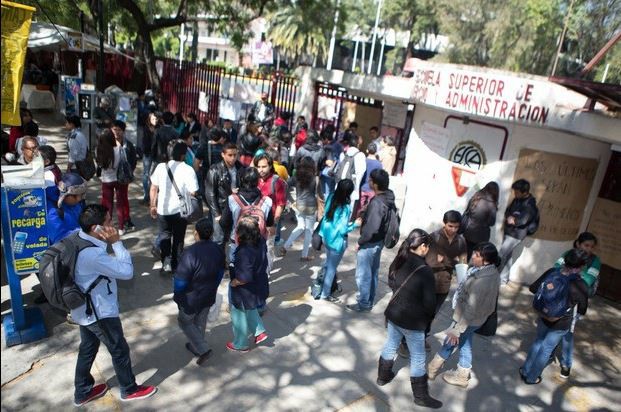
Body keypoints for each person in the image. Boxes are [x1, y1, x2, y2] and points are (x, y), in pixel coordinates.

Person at [71, 204, 157, 406]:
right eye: (108, 222)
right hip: (99, 312)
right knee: (119, 349)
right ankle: (128, 389)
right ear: (96, 228)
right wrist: (117, 244)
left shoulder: (79, 237)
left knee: (88, 348)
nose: (113, 225)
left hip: (85, 310)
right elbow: (126, 272)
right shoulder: (92, 255)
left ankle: (82, 391)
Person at [377, 229, 441, 409]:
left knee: (390, 344)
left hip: (394, 314)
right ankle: (420, 396)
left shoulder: (400, 259)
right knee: (418, 357)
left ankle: (382, 376)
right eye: (427, 246)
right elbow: (430, 304)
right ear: (422, 246)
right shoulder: (425, 271)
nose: (427, 250)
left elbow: (392, 283)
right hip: (413, 322)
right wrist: (427, 318)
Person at [427, 242, 501, 388]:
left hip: (468, 319)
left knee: (450, 342)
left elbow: (471, 309)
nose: (473, 256)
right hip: (478, 319)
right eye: (474, 253)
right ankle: (461, 374)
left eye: (477, 255)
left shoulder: (482, 281)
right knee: (465, 342)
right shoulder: (491, 272)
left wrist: (457, 329)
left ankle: (432, 369)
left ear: (486, 260)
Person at [520, 248, 589, 384]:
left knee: (538, 341)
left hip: (543, 316)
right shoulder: (580, 284)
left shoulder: (552, 272)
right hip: (561, 322)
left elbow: (533, 288)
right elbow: (583, 308)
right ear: (581, 266)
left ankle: (525, 370)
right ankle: (532, 378)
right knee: (546, 349)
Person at [173, 217, 225, 365]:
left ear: (196, 233)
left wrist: (178, 295)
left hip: (190, 298)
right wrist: (213, 286)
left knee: (185, 322)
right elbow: (221, 272)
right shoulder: (218, 249)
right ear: (212, 233)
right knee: (200, 322)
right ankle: (195, 346)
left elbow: (180, 281)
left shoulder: (189, 253)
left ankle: (203, 349)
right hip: (208, 294)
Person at [553, 232, 600, 378]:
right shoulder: (569, 253)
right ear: (578, 244)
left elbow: (588, 280)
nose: (589, 249)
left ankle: (566, 364)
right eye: (586, 245)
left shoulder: (595, 261)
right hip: (560, 297)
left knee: (567, 333)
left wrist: (567, 275)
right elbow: (556, 268)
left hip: (575, 301)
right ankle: (549, 354)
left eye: (591, 246)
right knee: (552, 327)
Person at [347, 169, 394, 312]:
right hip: (378, 242)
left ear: (375, 184)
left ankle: (364, 303)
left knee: (363, 275)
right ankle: (369, 298)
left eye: (370, 180)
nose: (368, 182)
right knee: (372, 272)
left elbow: (372, 228)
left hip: (371, 243)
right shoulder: (388, 197)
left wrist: (360, 242)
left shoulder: (378, 202)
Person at [149, 142, 199, 273]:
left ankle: (165, 262)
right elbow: (193, 192)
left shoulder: (161, 167)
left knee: (164, 235)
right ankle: (176, 264)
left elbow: (154, 188)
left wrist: (152, 205)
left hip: (162, 210)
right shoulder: (188, 169)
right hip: (180, 211)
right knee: (178, 237)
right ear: (183, 155)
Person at [227, 216, 270, 352]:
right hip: (258, 283)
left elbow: (244, 277)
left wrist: (234, 282)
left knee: (238, 312)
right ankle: (259, 332)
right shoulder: (261, 241)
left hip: (244, 289)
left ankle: (240, 343)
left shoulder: (245, 252)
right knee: (250, 307)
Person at [424, 210, 468, 342]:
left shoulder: (461, 241)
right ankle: (405, 341)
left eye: (456, 227)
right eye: (450, 226)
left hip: (444, 284)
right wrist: (451, 262)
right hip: (427, 282)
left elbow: (462, 264)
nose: (453, 230)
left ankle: (423, 337)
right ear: (444, 223)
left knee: (432, 315)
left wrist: (445, 260)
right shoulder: (433, 237)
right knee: (421, 313)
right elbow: (430, 261)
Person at [220, 167, 274, 267]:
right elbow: (270, 222)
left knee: (237, 276)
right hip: (259, 246)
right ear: (258, 181)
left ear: (241, 180)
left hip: (237, 244)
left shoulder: (232, 199)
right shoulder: (267, 201)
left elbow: (224, 222)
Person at [317, 179, 361, 301]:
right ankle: (325, 294)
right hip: (337, 242)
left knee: (328, 263)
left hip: (326, 237)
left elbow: (326, 214)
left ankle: (321, 282)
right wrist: (355, 224)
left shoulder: (331, 196)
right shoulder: (345, 207)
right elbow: (342, 230)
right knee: (331, 268)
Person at [204, 142, 244, 251]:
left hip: (236, 208)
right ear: (223, 154)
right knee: (219, 238)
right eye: (230, 155)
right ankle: (218, 263)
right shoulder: (215, 170)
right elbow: (210, 193)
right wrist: (216, 214)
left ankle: (232, 262)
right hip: (221, 208)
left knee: (234, 237)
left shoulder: (240, 167)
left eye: (235, 155)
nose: (233, 158)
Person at [498, 179, 539, 284]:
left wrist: (514, 220)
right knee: (507, 256)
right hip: (509, 231)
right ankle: (503, 279)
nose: (514, 194)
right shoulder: (517, 199)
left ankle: (491, 277)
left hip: (516, 235)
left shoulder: (530, 205)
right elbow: (508, 211)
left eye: (517, 192)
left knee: (501, 255)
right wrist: (509, 217)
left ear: (524, 192)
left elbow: (523, 220)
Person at [278, 157, 317, 261]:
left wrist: (289, 200)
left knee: (300, 226)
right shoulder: (315, 178)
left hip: (299, 206)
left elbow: (285, 184)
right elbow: (319, 194)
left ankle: (285, 246)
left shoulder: (296, 177)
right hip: (311, 206)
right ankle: (304, 255)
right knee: (308, 230)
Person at [461, 182, 499, 260]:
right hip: (481, 236)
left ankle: (460, 270)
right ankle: (471, 271)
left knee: (466, 254)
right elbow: (492, 222)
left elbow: (468, 211)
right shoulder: (491, 204)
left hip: (468, 231)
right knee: (479, 257)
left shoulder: (476, 197)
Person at [47, 173, 88, 245]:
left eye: (81, 194)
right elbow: (59, 239)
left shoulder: (75, 204)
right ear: (64, 195)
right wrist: (85, 233)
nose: (79, 199)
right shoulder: (51, 211)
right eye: (75, 196)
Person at [337, 131, 366, 213]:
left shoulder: (343, 154)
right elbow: (360, 173)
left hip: (339, 186)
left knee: (337, 209)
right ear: (358, 144)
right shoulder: (360, 155)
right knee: (347, 211)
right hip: (351, 189)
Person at [358, 142, 383, 217]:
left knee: (359, 208)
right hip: (372, 189)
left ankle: (358, 221)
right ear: (376, 152)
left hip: (362, 187)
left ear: (367, 150)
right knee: (369, 209)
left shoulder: (363, 161)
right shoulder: (379, 164)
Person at [141, 111, 159, 204]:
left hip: (156, 155)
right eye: (153, 119)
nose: (155, 120)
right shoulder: (146, 129)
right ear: (149, 120)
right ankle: (146, 195)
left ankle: (151, 197)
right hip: (147, 154)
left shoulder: (158, 129)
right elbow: (144, 142)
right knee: (146, 174)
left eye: (156, 119)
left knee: (153, 175)